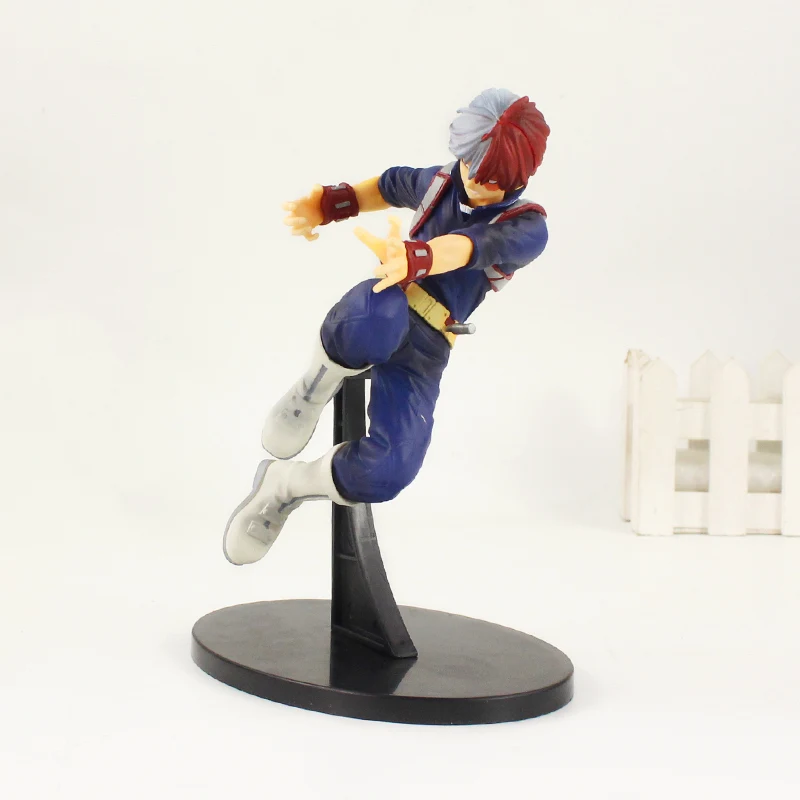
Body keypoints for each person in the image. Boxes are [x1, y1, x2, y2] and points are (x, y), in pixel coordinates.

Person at [223, 88, 550, 565]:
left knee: (391, 468)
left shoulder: (527, 227)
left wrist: (420, 256)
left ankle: (284, 485)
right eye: (471, 167)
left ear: (519, 177)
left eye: (493, 180)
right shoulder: (441, 182)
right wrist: (330, 204)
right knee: (373, 321)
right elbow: (390, 184)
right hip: (389, 299)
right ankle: (313, 388)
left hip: (432, 340)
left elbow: (471, 246)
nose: (477, 184)